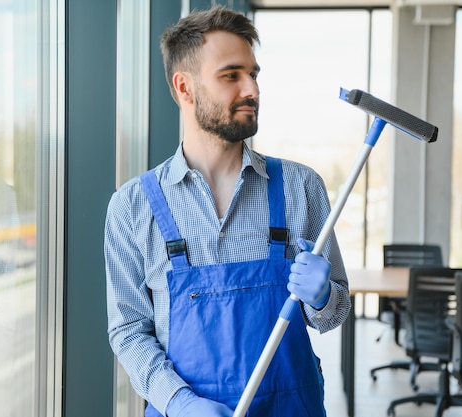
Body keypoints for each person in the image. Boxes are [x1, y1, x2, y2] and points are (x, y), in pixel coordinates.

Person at [104, 6, 351, 417]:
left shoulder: (300, 187)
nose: (252, 89)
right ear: (184, 88)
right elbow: (128, 330)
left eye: (254, 74)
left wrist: (325, 297)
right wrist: (179, 403)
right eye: (231, 75)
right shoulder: (132, 207)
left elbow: (332, 316)